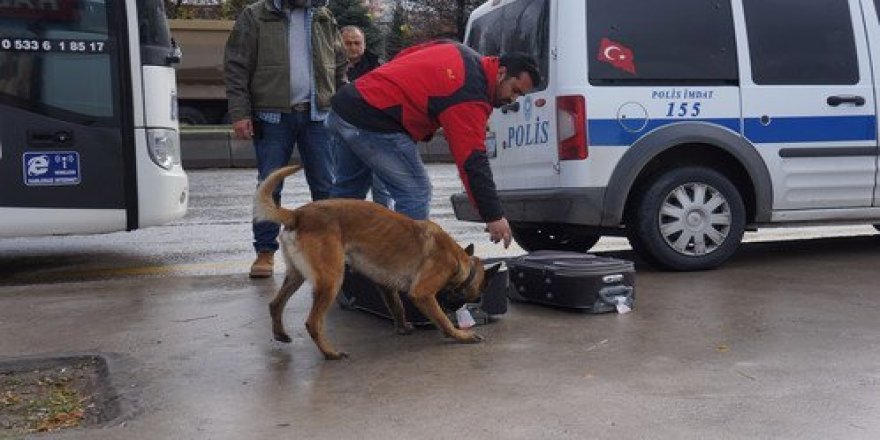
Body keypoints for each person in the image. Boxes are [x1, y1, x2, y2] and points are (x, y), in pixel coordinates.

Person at [327, 41, 541, 248]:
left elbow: (404, 57)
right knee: (416, 192)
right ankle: (404, 271)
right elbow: (472, 162)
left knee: (347, 193)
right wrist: (493, 215)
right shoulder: (469, 95)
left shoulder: (456, 49)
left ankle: (331, 258)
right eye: (514, 90)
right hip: (375, 120)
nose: (513, 100)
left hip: (346, 106)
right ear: (501, 73)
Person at [224, 0, 348, 278]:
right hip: (272, 115)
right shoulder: (255, 15)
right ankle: (265, 253)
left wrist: (344, 107)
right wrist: (239, 113)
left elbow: (339, 67)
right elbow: (236, 65)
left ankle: (330, 252)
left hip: (318, 115)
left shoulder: (323, 17)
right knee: (269, 185)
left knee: (326, 187)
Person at [338, 25, 392, 208]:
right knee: (346, 182)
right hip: (343, 130)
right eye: (348, 43)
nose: (353, 47)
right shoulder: (331, 65)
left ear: (364, 44)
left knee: (382, 184)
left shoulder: (378, 65)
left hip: (374, 129)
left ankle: (386, 227)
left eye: (357, 43)